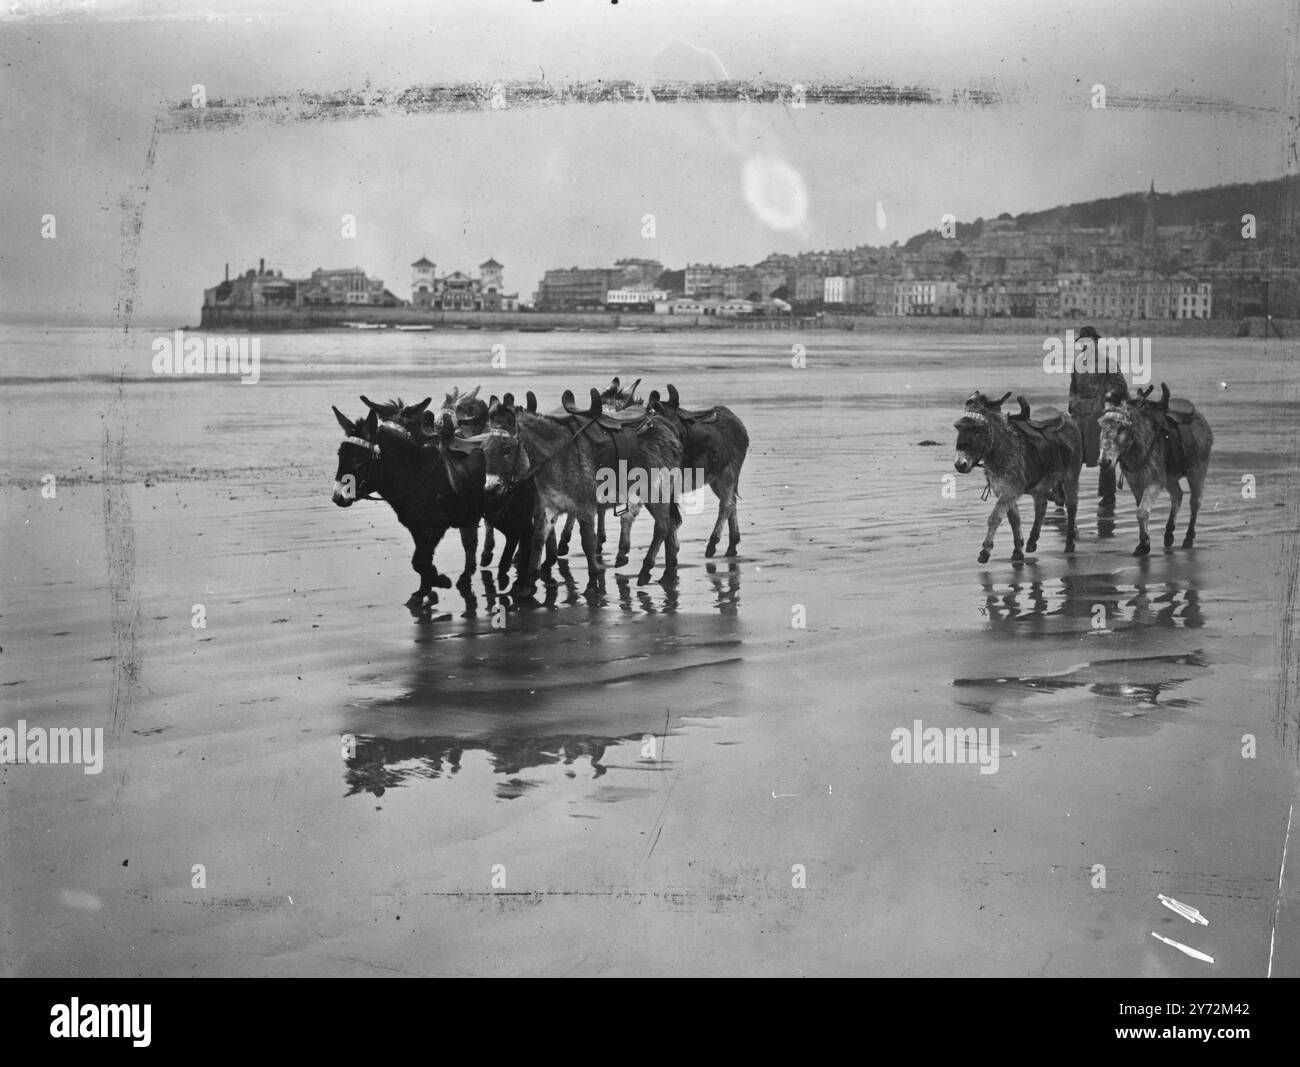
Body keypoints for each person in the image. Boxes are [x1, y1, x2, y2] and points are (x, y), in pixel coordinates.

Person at [1068, 325, 1127, 509]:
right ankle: (1064, 492)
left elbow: (1120, 387)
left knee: (1105, 454)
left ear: (1095, 342)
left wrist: (1107, 400)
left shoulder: (1108, 363)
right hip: (1079, 416)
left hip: (1100, 415)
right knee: (1070, 454)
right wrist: (1072, 407)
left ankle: (1108, 495)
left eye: (1089, 341)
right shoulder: (1077, 363)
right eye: (1083, 342)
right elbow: (1073, 389)